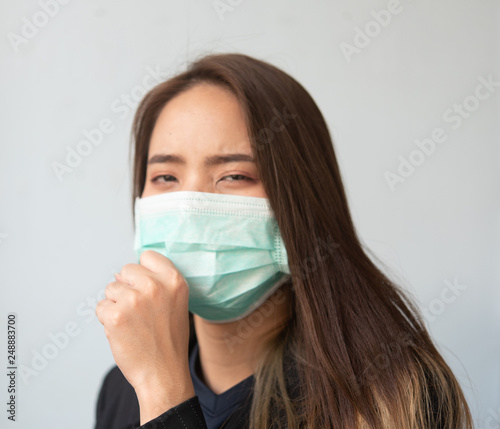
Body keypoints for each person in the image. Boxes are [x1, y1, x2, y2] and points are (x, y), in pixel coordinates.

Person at [94, 53, 473, 429]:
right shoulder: (121, 389)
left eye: (234, 176)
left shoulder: (388, 397)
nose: (189, 205)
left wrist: (163, 395)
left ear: (303, 200)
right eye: (165, 177)